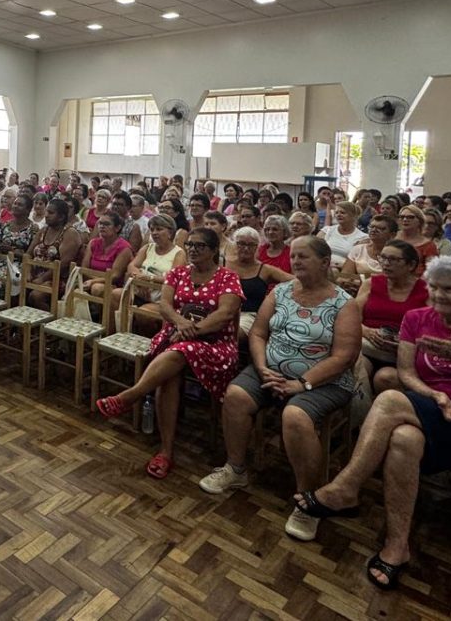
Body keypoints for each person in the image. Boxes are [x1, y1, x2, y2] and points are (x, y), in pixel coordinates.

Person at [293, 258, 451, 591]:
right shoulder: (416, 319)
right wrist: (436, 396)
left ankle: (345, 488)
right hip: (433, 408)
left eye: (449, 289)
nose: (439, 295)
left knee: (388, 400)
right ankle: (396, 546)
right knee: (404, 439)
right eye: (434, 287)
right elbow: (406, 374)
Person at [199, 238, 361, 543]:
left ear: (325, 262)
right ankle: (236, 469)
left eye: (304, 257)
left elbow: (344, 357)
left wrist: (302, 383)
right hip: (270, 371)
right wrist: (261, 368)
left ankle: (308, 500)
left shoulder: (344, 303)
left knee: (296, 416)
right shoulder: (282, 292)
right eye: (295, 257)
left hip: (322, 381)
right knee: (235, 396)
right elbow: (258, 333)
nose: (296, 262)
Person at [96, 228, 244, 478]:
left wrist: (192, 330)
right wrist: (181, 323)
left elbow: (225, 313)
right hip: (176, 335)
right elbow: (165, 305)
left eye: (200, 246)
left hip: (215, 342)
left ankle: (132, 397)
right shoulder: (177, 273)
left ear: (213, 250)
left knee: (176, 353)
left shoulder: (227, 277)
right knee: (171, 367)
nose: (193, 250)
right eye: (190, 246)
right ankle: (165, 450)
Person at [357, 240, 428, 391]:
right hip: (368, 346)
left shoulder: (426, 290)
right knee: (359, 369)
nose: (386, 263)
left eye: (393, 259)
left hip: (403, 353)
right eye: (383, 258)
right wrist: (367, 331)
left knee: (386, 378)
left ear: (411, 265)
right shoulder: (371, 284)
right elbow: (352, 319)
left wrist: (406, 341)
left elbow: (432, 328)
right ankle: (360, 412)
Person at [109, 214, 185, 331]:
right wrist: (140, 280)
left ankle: (148, 343)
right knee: (115, 294)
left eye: (159, 229)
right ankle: (114, 333)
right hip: (139, 291)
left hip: (161, 298)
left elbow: (173, 278)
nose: (154, 233)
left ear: (170, 232)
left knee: (144, 313)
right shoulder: (147, 248)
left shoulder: (179, 253)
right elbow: (132, 266)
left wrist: (148, 279)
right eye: (152, 229)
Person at [225, 227, 293, 329]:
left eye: (251, 245)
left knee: (233, 332)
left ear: (257, 247)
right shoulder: (223, 265)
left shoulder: (265, 270)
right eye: (241, 244)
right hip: (222, 312)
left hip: (249, 316)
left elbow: (295, 281)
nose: (246, 248)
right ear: (234, 245)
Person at [339, 215, 399, 294]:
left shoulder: (398, 254)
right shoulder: (358, 249)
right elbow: (345, 276)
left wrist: (360, 278)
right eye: (371, 227)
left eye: (381, 228)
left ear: (392, 234)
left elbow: (394, 280)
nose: (374, 230)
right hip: (358, 292)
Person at [81, 212, 134, 292]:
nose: (102, 226)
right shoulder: (93, 243)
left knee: (97, 288)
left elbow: (115, 275)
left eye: (106, 224)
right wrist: (90, 281)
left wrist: (93, 281)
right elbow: (84, 268)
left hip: (113, 286)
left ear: (117, 228)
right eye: (100, 224)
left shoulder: (124, 248)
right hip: (89, 281)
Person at [318, 202, 366, 273]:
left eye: (342, 213)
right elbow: (314, 249)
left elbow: (359, 261)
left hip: (345, 270)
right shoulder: (327, 230)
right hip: (322, 265)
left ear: (353, 215)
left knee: (334, 271)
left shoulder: (363, 237)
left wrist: (340, 265)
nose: (338, 215)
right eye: (336, 213)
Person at [395, 205, 437, 275]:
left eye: (410, 217)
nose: (405, 219)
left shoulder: (429, 245)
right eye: (402, 217)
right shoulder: (392, 238)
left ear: (420, 221)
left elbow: (431, 272)